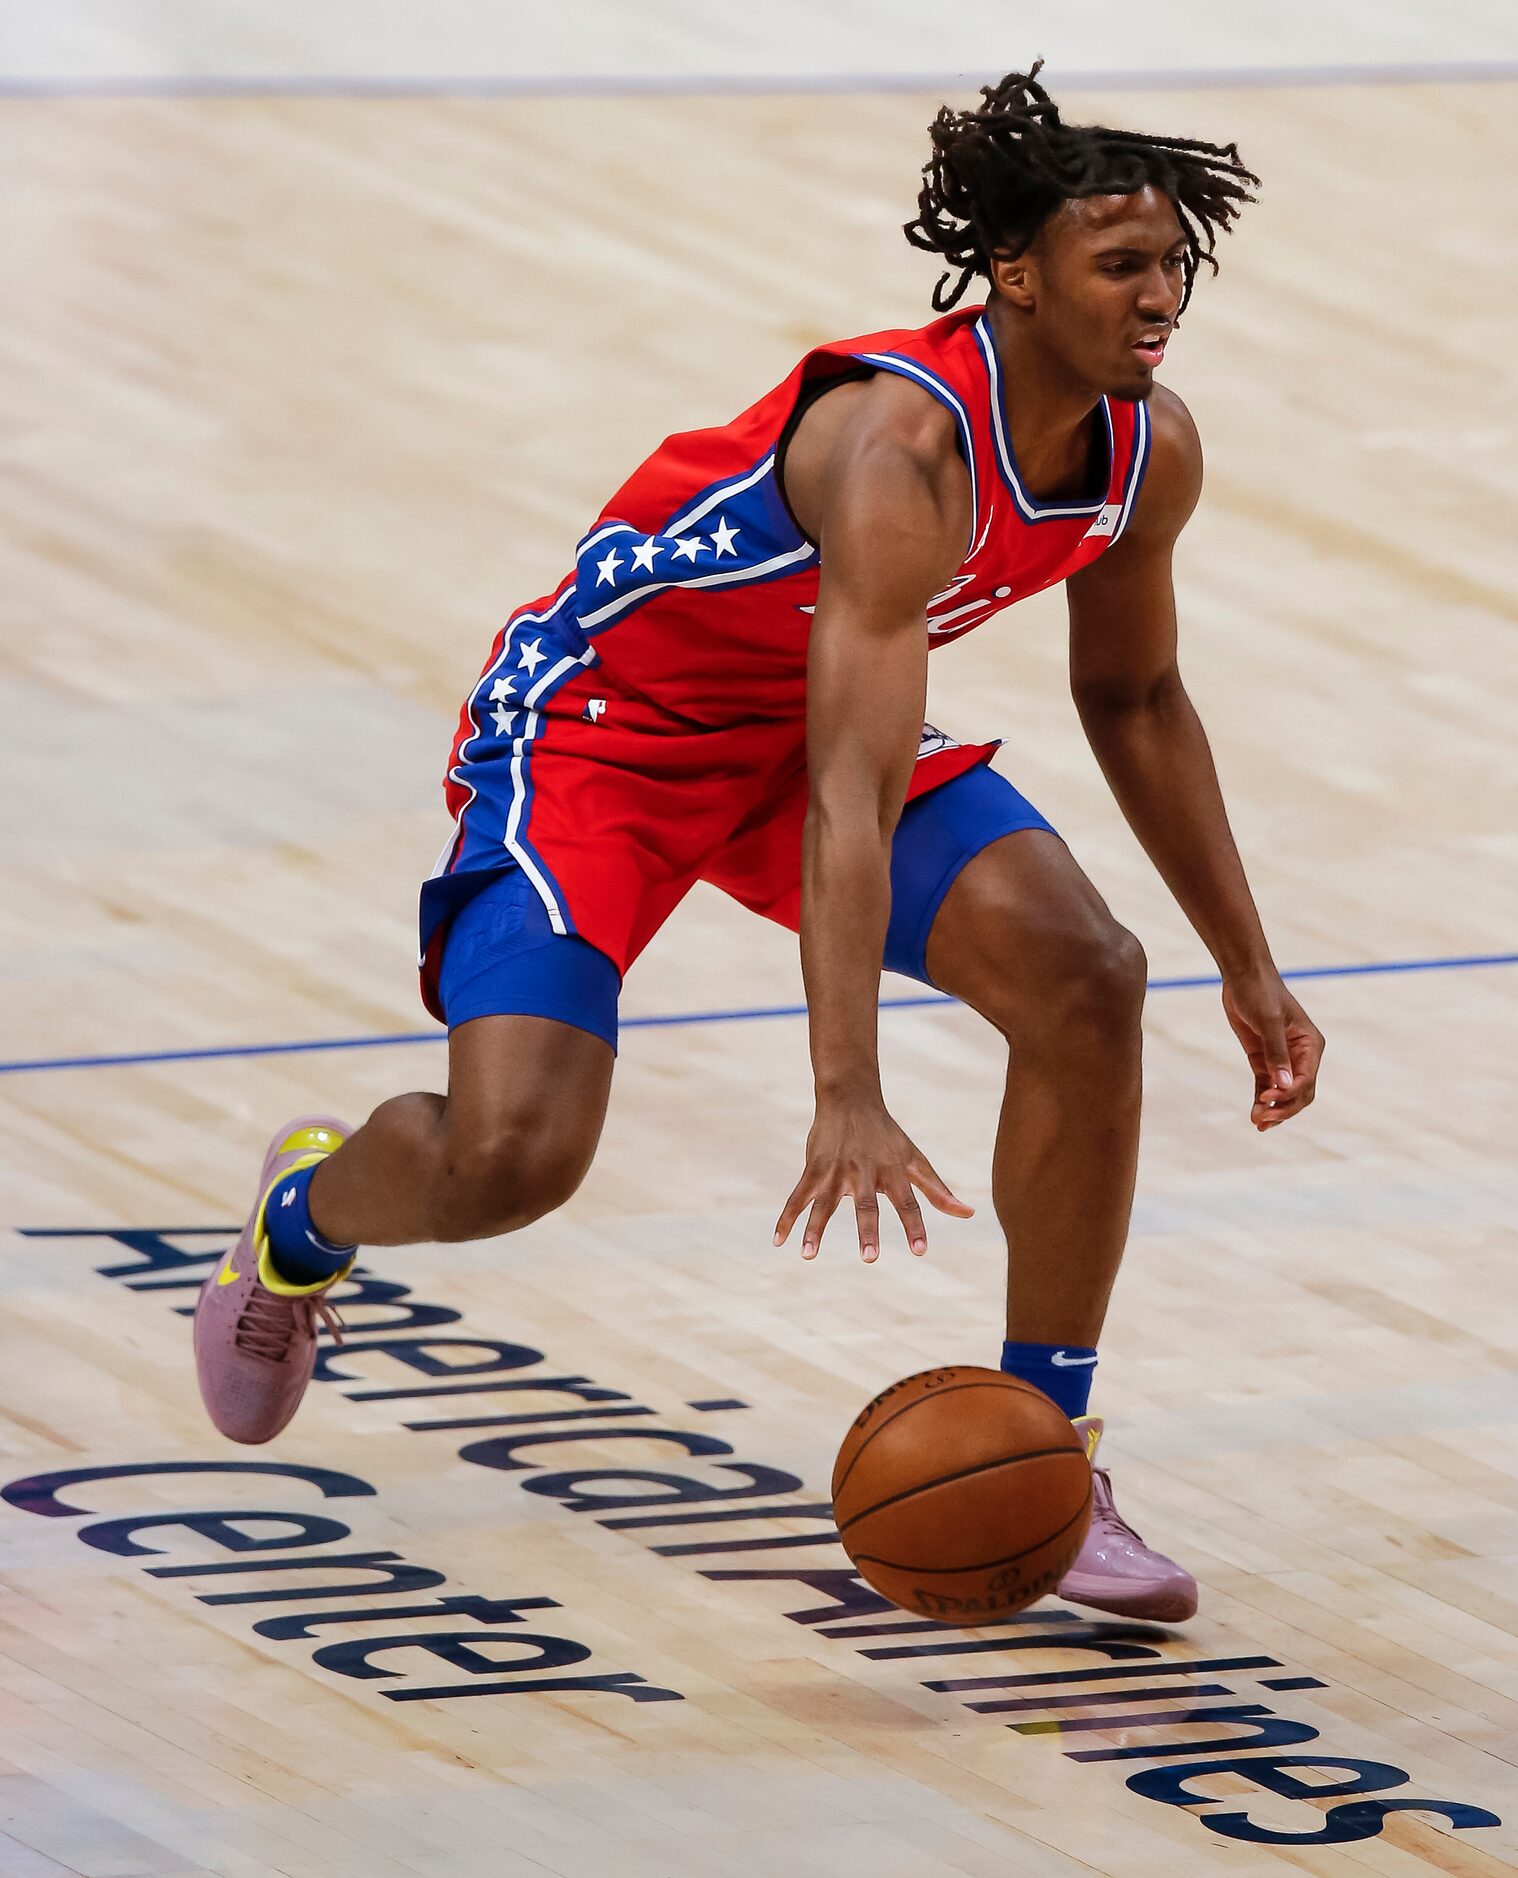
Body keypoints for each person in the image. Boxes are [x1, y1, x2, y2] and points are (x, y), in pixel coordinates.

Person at [195, 65, 1324, 1623]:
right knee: (511, 1159)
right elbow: (854, 794)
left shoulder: (1145, 449)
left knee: (1086, 974)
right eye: (1119, 266)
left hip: (791, 732)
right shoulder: (897, 455)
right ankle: (299, 1220)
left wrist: (1248, 968)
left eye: (1171, 262)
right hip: (600, 736)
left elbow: (1132, 695)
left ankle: (1051, 1451)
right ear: (1016, 274)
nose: (1160, 294)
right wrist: (843, 1087)